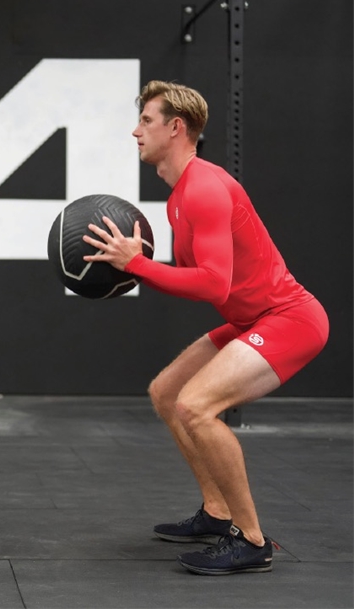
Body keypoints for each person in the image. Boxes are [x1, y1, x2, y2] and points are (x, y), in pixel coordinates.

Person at [82, 80, 329, 575]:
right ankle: (217, 512)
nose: (136, 131)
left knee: (196, 406)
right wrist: (132, 268)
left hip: (289, 319)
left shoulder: (204, 189)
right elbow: (198, 281)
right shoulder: (179, 194)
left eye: (146, 121)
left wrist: (136, 266)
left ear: (176, 127)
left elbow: (214, 284)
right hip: (250, 319)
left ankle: (252, 539)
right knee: (167, 392)